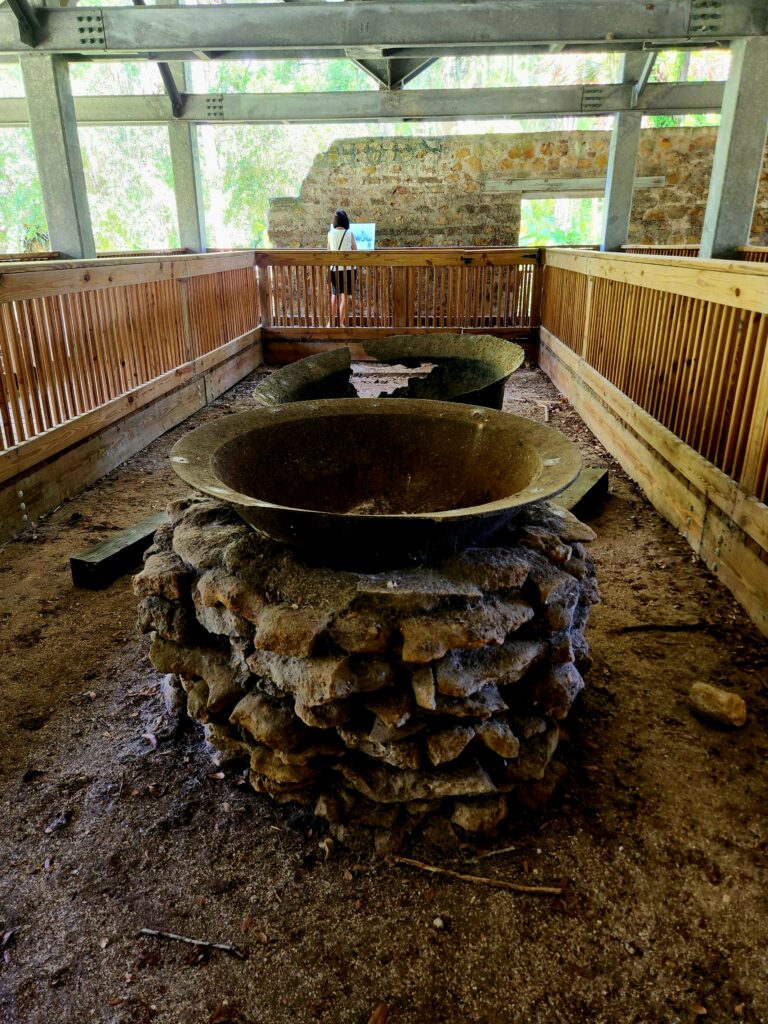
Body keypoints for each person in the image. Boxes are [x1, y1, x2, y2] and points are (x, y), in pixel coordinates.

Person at [327, 209, 357, 326]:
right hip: (348, 269)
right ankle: (340, 322)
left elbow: (328, 251)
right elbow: (355, 251)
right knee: (345, 297)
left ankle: (330, 323)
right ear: (346, 221)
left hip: (334, 269)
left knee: (334, 296)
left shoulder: (330, 234)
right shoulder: (350, 234)